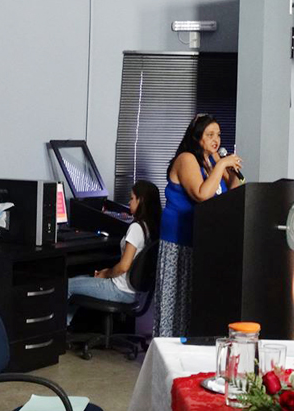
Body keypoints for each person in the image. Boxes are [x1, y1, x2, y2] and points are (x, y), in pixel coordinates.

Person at [152, 113, 243, 337]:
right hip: (179, 241)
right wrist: (222, 164)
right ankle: (168, 348)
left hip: (202, 241)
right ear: (196, 137)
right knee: (177, 304)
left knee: (194, 306)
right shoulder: (186, 159)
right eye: (209, 134)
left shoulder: (211, 162)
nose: (216, 140)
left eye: (218, 135)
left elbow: (231, 194)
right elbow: (202, 194)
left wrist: (231, 172)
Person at [67, 180, 161, 325]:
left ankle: (58, 332)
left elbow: (123, 266)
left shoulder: (136, 228)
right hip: (134, 293)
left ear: (140, 201)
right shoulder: (151, 227)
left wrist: (105, 274)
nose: (129, 202)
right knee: (80, 279)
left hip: (119, 290)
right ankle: (68, 329)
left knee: (67, 286)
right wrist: (106, 272)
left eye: (132, 198)